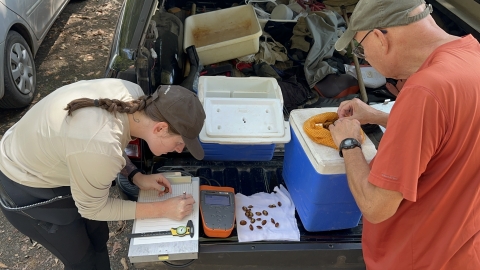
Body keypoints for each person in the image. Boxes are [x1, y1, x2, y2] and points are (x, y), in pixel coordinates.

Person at [329, 0, 480, 269]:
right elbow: (454, 129)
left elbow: (376, 206)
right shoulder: (472, 55)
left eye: (362, 51)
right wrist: (379, 116)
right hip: (461, 252)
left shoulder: (424, 90)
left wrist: (349, 143)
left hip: (415, 258)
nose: (366, 59)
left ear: (379, 37)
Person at [0, 78, 206, 269]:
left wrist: (136, 175)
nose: (179, 149)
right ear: (160, 128)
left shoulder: (135, 97)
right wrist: (161, 209)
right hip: (25, 184)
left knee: (98, 236)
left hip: (60, 157)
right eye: (179, 143)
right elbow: (92, 207)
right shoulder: (98, 146)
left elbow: (110, 143)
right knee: (82, 258)